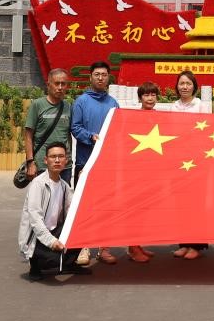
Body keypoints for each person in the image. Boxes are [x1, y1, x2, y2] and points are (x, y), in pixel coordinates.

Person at [69, 61, 118, 266]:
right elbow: (75, 127)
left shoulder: (113, 103)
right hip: (85, 162)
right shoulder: (81, 102)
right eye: (97, 74)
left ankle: (104, 247)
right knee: (84, 206)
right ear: (90, 77)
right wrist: (91, 137)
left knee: (106, 206)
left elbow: (118, 130)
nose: (100, 78)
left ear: (108, 78)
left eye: (104, 74)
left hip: (107, 164)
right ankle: (83, 247)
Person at [18, 143, 86, 280]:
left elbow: (75, 211)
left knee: (83, 225)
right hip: (37, 239)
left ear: (66, 161)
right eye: (53, 157)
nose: (57, 160)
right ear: (45, 160)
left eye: (61, 156)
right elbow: (35, 220)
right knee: (49, 264)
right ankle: (36, 264)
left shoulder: (64, 186)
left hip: (54, 232)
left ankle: (67, 264)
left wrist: (84, 181)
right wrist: (52, 242)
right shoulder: (38, 184)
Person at [167, 70, 208, 260]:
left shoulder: (201, 105)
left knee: (196, 203)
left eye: (188, 84)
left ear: (194, 87)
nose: (184, 87)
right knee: (180, 203)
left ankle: (196, 245)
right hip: (178, 160)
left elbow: (207, 130)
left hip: (197, 160)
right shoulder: (173, 107)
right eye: (181, 83)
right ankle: (183, 243)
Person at [124, 82, 163, 263]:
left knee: (145, 211)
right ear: (140, 98)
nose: (150, 98)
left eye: (153, 95)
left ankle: (138, 244)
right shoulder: (131, 118)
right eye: (146, 95)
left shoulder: (161, 118)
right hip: (136, 172)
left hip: (153, 172)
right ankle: (132, 247)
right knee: (135, 210)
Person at [23, 69, 72, 180]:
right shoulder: (37, 105)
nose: (60, 87)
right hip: (42, 164)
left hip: (64, 166)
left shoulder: (68, 106)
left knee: (64, 197)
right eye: (56, 83)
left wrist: (69, 157)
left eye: (63, 84)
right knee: (44, 196)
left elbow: (68, 135)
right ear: (48, 85)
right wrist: (30, 162)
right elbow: (28, 136)